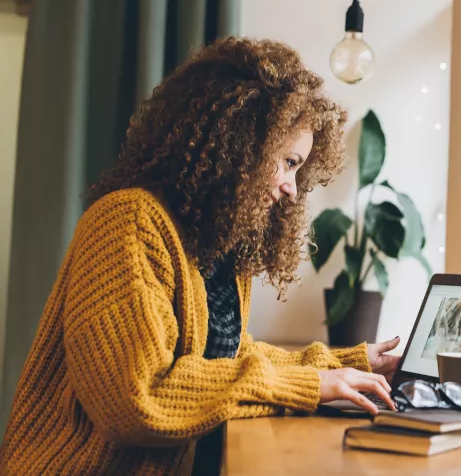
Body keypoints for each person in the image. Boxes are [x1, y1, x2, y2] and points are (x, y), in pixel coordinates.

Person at [0, 38, 401, 475]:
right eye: (287, 161)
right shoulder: (128, 222)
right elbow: (140, 398)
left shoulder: (214, 241)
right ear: (238, 143)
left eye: (298, 169)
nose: (291, 187)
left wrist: (352, 364)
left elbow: (224, 362)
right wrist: (307, 384)